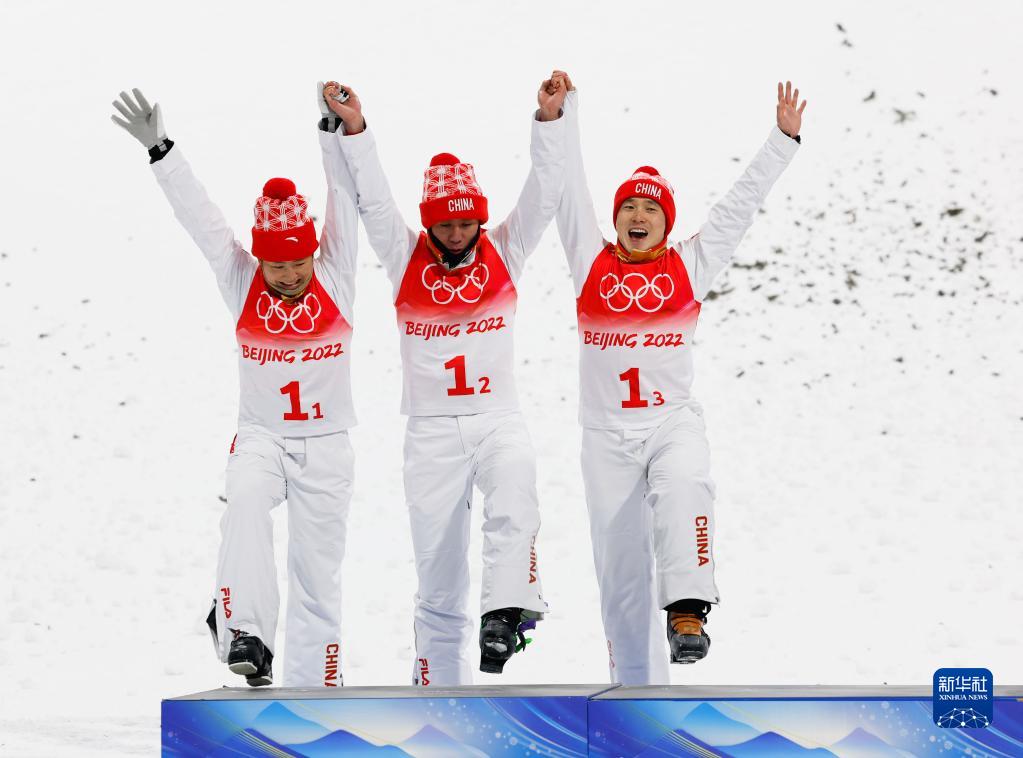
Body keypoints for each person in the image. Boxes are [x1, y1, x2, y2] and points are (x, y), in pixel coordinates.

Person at [554, 74, 806, 685]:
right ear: (616, 220)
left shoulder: (689, 264)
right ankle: (635, 699)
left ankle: (689, 610)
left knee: (687, 482)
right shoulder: (592, 261)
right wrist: (564, 115)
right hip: (605, 436)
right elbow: (567, 188)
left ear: (667, 223)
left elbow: (739, 205)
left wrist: (782, 139)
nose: (638, 216)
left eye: (650, 208)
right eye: (628, 208)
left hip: (669, 422)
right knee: (620, 584)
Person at [321, 75, 568, 684]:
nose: (456, 236)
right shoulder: (407, 260)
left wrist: (550, 121)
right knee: (438, 574)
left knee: (516, 489)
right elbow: (376, 203)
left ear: (479, 221)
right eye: (446, 226)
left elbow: (542, 194)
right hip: (430, 434)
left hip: (496, 419)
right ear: (430, 224)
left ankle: (505, 613)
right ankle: (435, 691)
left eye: (466, 225)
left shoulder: (504, 253)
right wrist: (356, 131)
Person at [110, 85, 361, 687]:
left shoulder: (335, 273)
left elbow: (344, 200)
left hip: (328, 443)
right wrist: (161, 150)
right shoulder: (241, 281)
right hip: (262, 437)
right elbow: (202, 220)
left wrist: (333, 133)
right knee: (246, 503)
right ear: (261, 260)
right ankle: (246, 632)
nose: (291, 275)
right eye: (279, 266)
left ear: (313, 253)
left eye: (298, 262)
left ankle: (320, 688)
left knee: (317, 575)